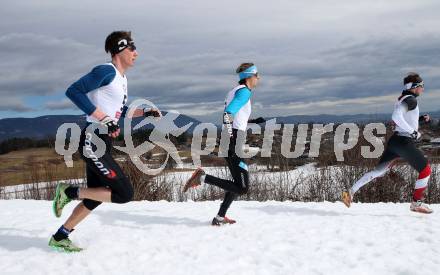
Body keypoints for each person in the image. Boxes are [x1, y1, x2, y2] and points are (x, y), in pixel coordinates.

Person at [49, 31, 161, 252]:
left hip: (102, 143)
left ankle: (61, 236)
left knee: (96, 195)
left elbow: (119, 110)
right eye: (132, 48)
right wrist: (104, 118)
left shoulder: (121, 79)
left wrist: (145, 113)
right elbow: (74, 91)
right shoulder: (105, 70)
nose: (136, 53)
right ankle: (67, 192)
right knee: (124, 194)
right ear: (120, 49)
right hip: (93, 140)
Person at [183, 63, 265, 225]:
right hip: (234, 139)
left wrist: (253, 121)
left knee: (236, 183)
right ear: (249, 76)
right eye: (257, 75)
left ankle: (220, 217)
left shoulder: (235, 91)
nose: (258, 78)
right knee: (242, 188)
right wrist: (232, 138)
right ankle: (202, 177)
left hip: (233, 138)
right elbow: (228, 115)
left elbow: (236, 116)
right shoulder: (244, 93)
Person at [342, 72, 433, 214]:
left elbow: (400, 121)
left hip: (395, 141)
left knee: (378, 172)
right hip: (404, 142)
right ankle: (416, 203)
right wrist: (413, 132)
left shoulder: (402, 98)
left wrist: (421, 119)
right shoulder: (412, 100)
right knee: (426, 170)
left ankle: (350, 192)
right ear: (415, 87)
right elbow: (396, 117)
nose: (423, 89)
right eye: (422, 86)